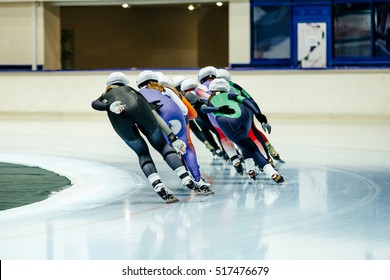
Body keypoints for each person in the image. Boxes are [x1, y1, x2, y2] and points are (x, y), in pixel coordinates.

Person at [91, 72, 205, 203]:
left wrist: (108, 106)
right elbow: (154, 115)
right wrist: (172, 137)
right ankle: (185, 178)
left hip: (117, 115)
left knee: (142, 154)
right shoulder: (131, 90)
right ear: (125, 83)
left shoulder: (105, 96)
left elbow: (94, 104)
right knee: (163, 147)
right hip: (138, 107)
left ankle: (158, 185)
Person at [135, 70, 213, 195]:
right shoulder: (167, 89)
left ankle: (185, 177)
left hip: (159, 122)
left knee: (169, 150)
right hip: (178, 118)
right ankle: (198, 179)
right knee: (186, 147)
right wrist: (183, 126)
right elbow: (185, 110)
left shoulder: (138, 93)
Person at [200, 78, 284, 184]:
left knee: (251, 148)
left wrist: (218, 110)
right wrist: (260, 116)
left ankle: (272, 173)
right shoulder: (231, 95)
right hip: (245, 118)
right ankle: (250, 169)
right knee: (245, 140)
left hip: (227, 123)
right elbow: (246, 101)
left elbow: (203, 109)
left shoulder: (210, 100)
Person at [216, 68, 284, 164]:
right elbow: (250, 100)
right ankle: (270, 151)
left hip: (238, 115)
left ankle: (265, 157)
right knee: (254, 131)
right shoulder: (234, 85)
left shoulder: (224, 90)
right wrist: (260, 116)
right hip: (247, 111)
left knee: (248, 135)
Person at [196, 66, 245, 175]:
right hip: (233, 112)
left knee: (222, 135)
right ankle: (247, 156)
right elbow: (235, 95)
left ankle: (234, 159)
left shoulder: (200, 88)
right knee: (239, 134)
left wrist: (213, 101)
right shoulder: (224, 83)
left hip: (215, 116)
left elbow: (202, 95)